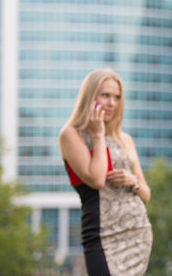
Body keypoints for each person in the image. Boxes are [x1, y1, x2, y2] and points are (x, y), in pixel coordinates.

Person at [59, 69, 152, 276]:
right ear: (90, 97)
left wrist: (133, 181)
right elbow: (96, 179)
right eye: (105, 95)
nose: (111, 103)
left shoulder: (125, 139)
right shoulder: (71, 134)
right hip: (103, 235)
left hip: (137, 235)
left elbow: (146, 194)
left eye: (116, 97)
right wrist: (99, 134)